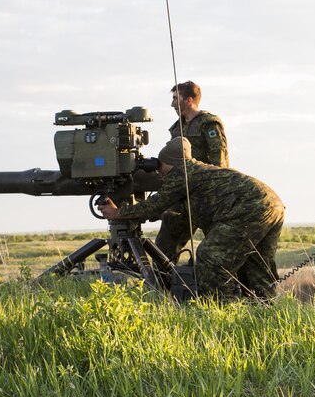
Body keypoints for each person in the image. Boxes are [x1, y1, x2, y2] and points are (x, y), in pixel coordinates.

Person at [99, 137, 284, 302]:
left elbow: (154, 204)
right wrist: (159, 214)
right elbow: (184, 209)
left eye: (160, 167)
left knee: (210, 258)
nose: (159, 173)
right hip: (272, 203)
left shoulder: (181, 172)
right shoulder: (198, 172)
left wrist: (118, 213)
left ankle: (227, 310)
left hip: (249, 207)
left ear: (170, 163)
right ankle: (265, 312)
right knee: (257, 265)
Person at [156, 80, 230, 262]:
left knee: (216, 248)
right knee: (164, 246)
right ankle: (165, 287)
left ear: (189, 100)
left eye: (176, 98)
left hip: (207, 194)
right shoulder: (177, 128)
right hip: (182, 195)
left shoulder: (208, 124)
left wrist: (215, 192)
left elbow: (218, 160)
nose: (172, 104)